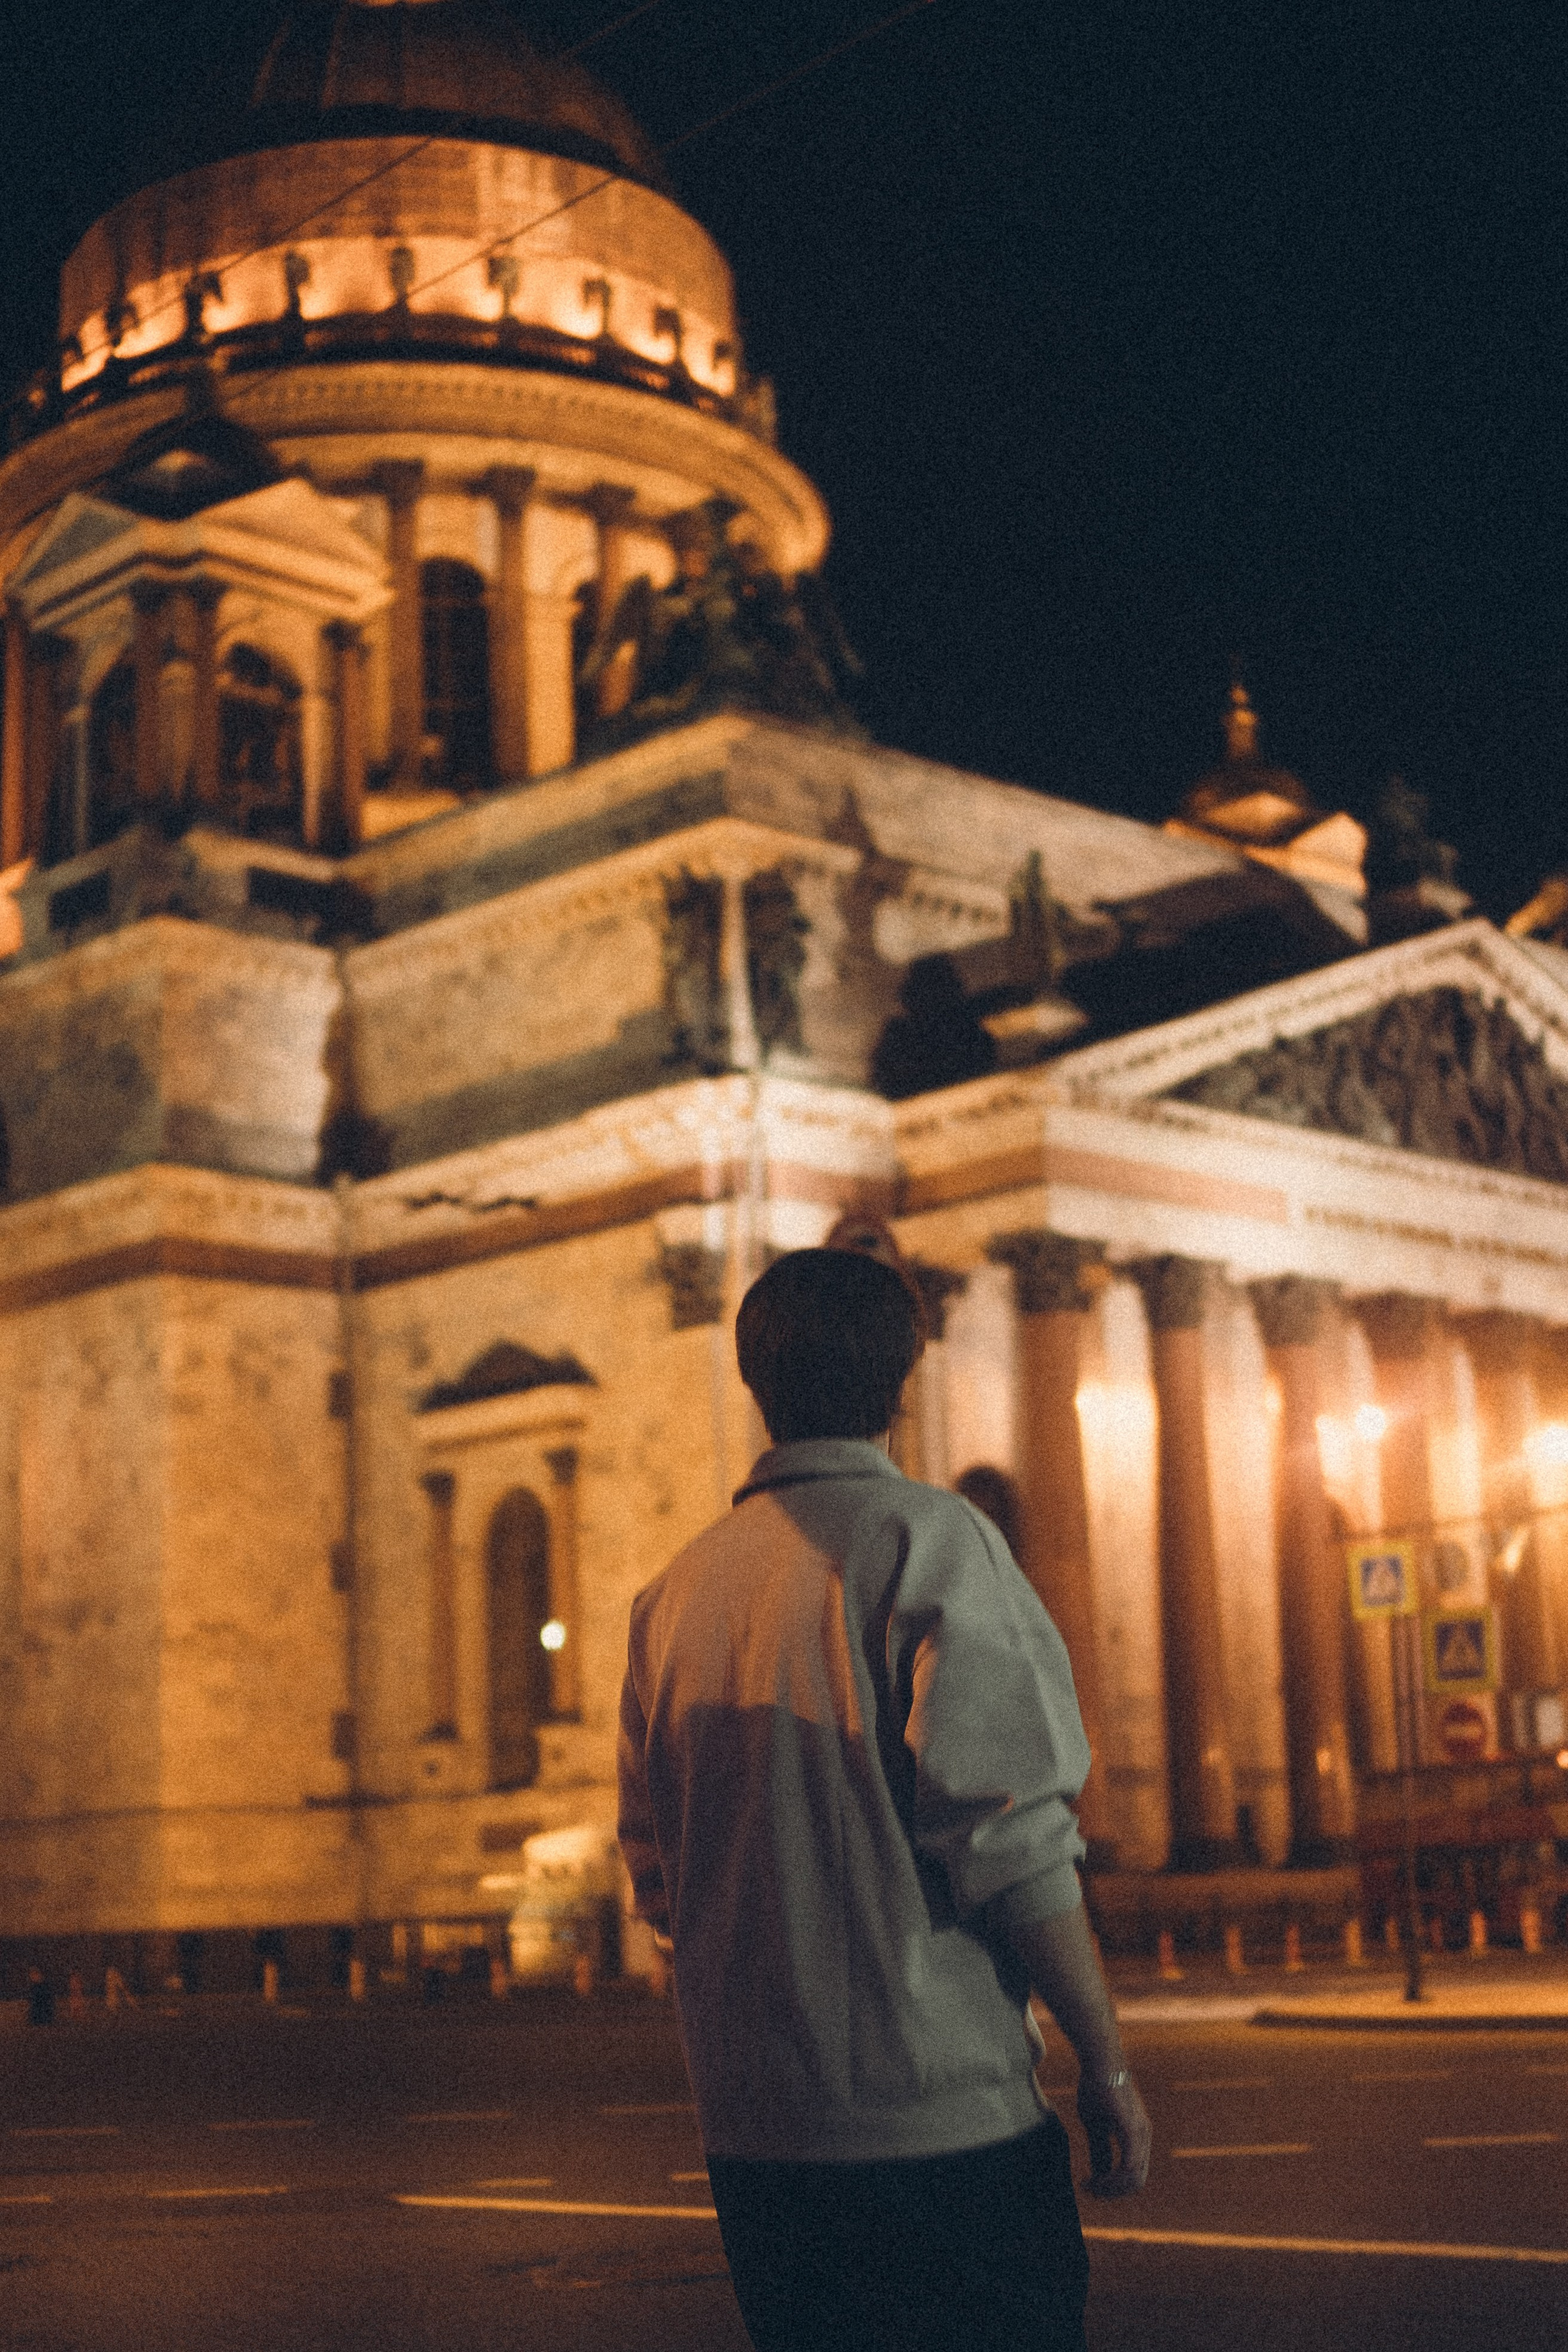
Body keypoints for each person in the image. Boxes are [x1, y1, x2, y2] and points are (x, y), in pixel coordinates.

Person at [617, 1247, 1150, 2352]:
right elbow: (1013, 1840)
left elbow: (661, 1881)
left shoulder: (669, 1600)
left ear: (757, 1385)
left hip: (757, 2146)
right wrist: (1103, 2063)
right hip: (944, 2129)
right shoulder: (932, 1541)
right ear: (903, 1382)